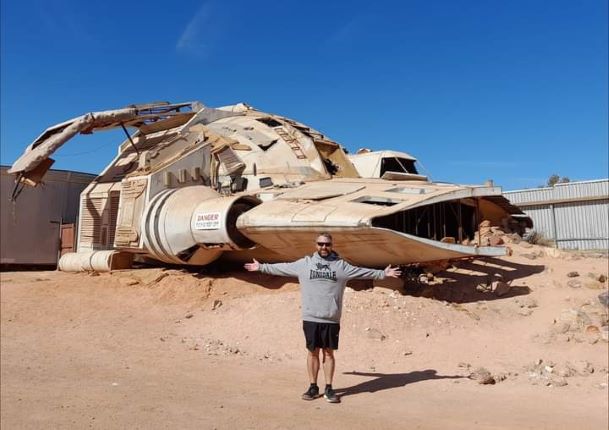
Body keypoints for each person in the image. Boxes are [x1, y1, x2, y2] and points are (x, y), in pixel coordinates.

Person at [244, 232, 402, 403]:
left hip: (330, 318)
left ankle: (329, 388)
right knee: (312, 352)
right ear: (315, 245)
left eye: (327, 244)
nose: (323, 247)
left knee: (328, 353)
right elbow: (282, 268)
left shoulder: (341, 266)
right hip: (310, 316)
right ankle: (313, 386)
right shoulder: (304, 264)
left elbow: (362, 272)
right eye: (320, 244)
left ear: (331, 245)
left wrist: (382, 274)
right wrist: (261, 267)